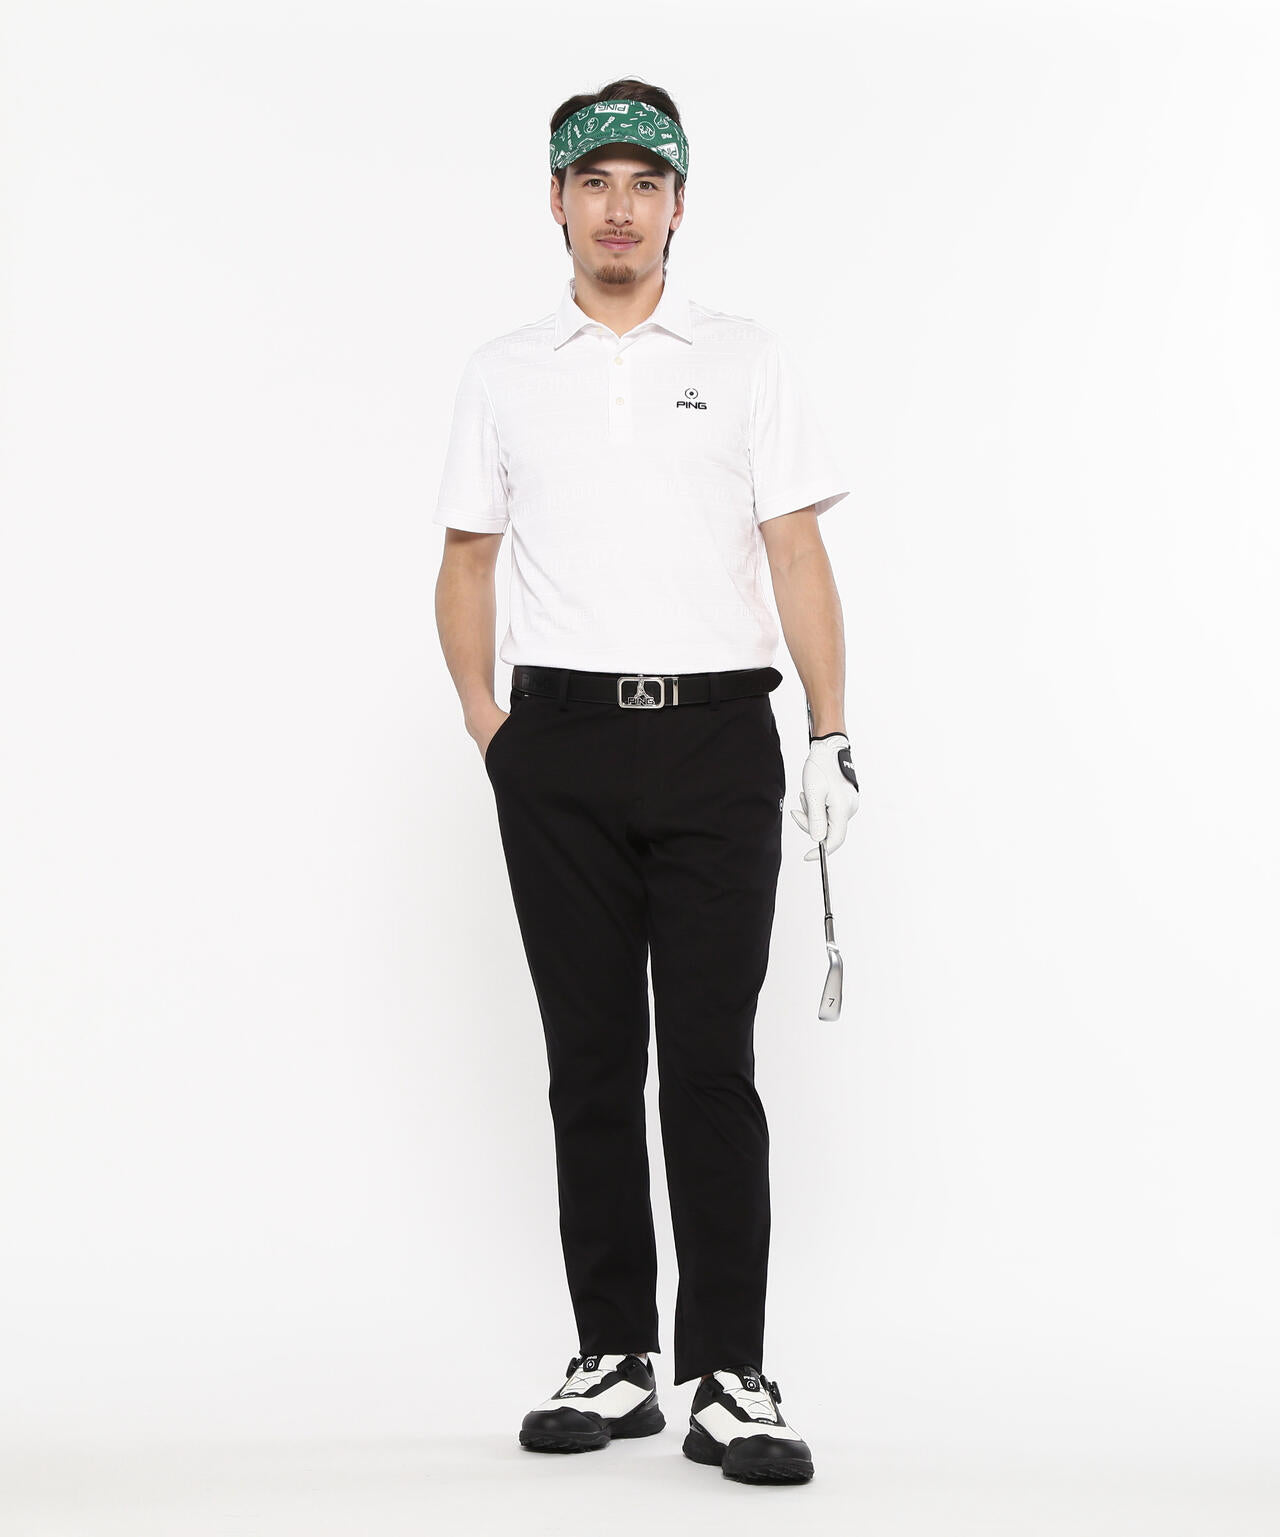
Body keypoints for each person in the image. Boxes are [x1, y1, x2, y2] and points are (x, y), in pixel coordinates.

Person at [432, 78, 859, 1486]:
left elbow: (795, 548)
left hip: (717, 738)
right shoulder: (506, 371)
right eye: (594, 181)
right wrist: (495, 730)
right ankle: (613, 1355)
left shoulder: (744, 359)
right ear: (556, 201)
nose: (619, 207)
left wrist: (829, 733)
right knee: (592, 1060)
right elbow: (468, 559)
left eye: (645, 182)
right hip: (558, 743)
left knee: (712, 1062)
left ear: (680, 204)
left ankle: (729, 1372)